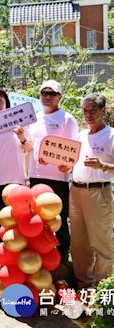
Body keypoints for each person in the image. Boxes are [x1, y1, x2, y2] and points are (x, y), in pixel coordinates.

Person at [28, 80, 78, 262]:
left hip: (58, 179)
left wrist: (68, 165)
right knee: (37, 220)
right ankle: (40, 257)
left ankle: (62, 256)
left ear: (60, 96)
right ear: (39, 96)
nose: (48, 97)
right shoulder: (34, 118)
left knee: (59, 219)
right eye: (44, 93)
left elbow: (73, 151)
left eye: (52, 94)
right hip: (35, 177)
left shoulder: (67, 119)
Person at [70, 93, 114, 289]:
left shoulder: (111, 135)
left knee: (102, 243)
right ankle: (85, 287)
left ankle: (104, 289)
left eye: (93, 111)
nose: (88, 115)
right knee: (79, 245)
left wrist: (103, 166)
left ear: (103, 111)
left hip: (98, 192)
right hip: (76, 191)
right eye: (85, 111)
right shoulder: (81, 134)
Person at [0, 88, 31, 243]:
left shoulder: (19, 121)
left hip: (15, 178)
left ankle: (16, 250)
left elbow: (28, 148)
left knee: (15, 218)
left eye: (0, 101)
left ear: (7, 102)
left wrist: (21, 136)